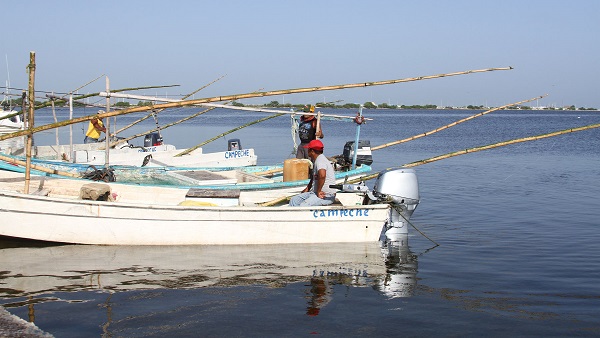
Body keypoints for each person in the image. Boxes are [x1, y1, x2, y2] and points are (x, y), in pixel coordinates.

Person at [289, 139, 337, 207]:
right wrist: (307, 188)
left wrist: (319, 191)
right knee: (294, 200)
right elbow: (314, 177)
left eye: (308, 149)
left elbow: (322, 175)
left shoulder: (321, 160)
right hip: (314, 193)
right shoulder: (316, 160)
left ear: (312, 151)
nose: (307, 151)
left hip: (326, 195)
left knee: (304, 205)